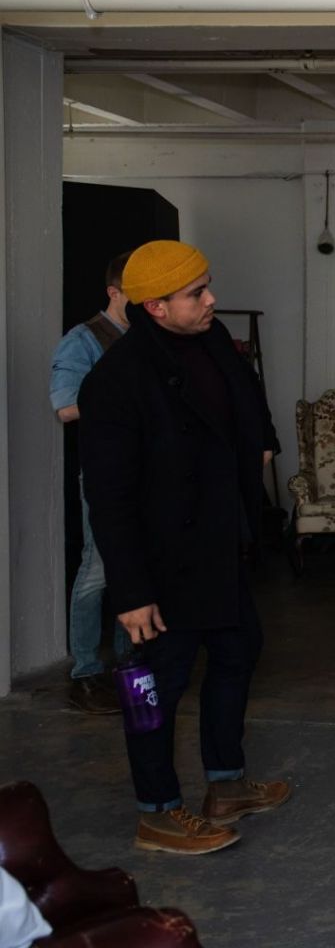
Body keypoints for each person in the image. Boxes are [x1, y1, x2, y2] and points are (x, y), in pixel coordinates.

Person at [78, 240, 288, 855]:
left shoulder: (211, 338)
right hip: (161, 567)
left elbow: (247, 395)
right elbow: (108, 498)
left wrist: (263, 441)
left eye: (207, 286)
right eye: (197, 293)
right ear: (156, 307)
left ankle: (226, 784)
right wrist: (131, 592)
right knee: (151, 685)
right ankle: (157, 811)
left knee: (238, 651)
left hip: (220, 546)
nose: (212, 299)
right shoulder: (114, 381)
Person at [50, 251, 134, 714]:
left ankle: (127, 663)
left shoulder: (146, 339)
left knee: (134, 568)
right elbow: (65, 407)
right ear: (113, 292)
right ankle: (85, 672)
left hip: (145, 472)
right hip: (105, 471)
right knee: (98, 568)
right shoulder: (82, 340)